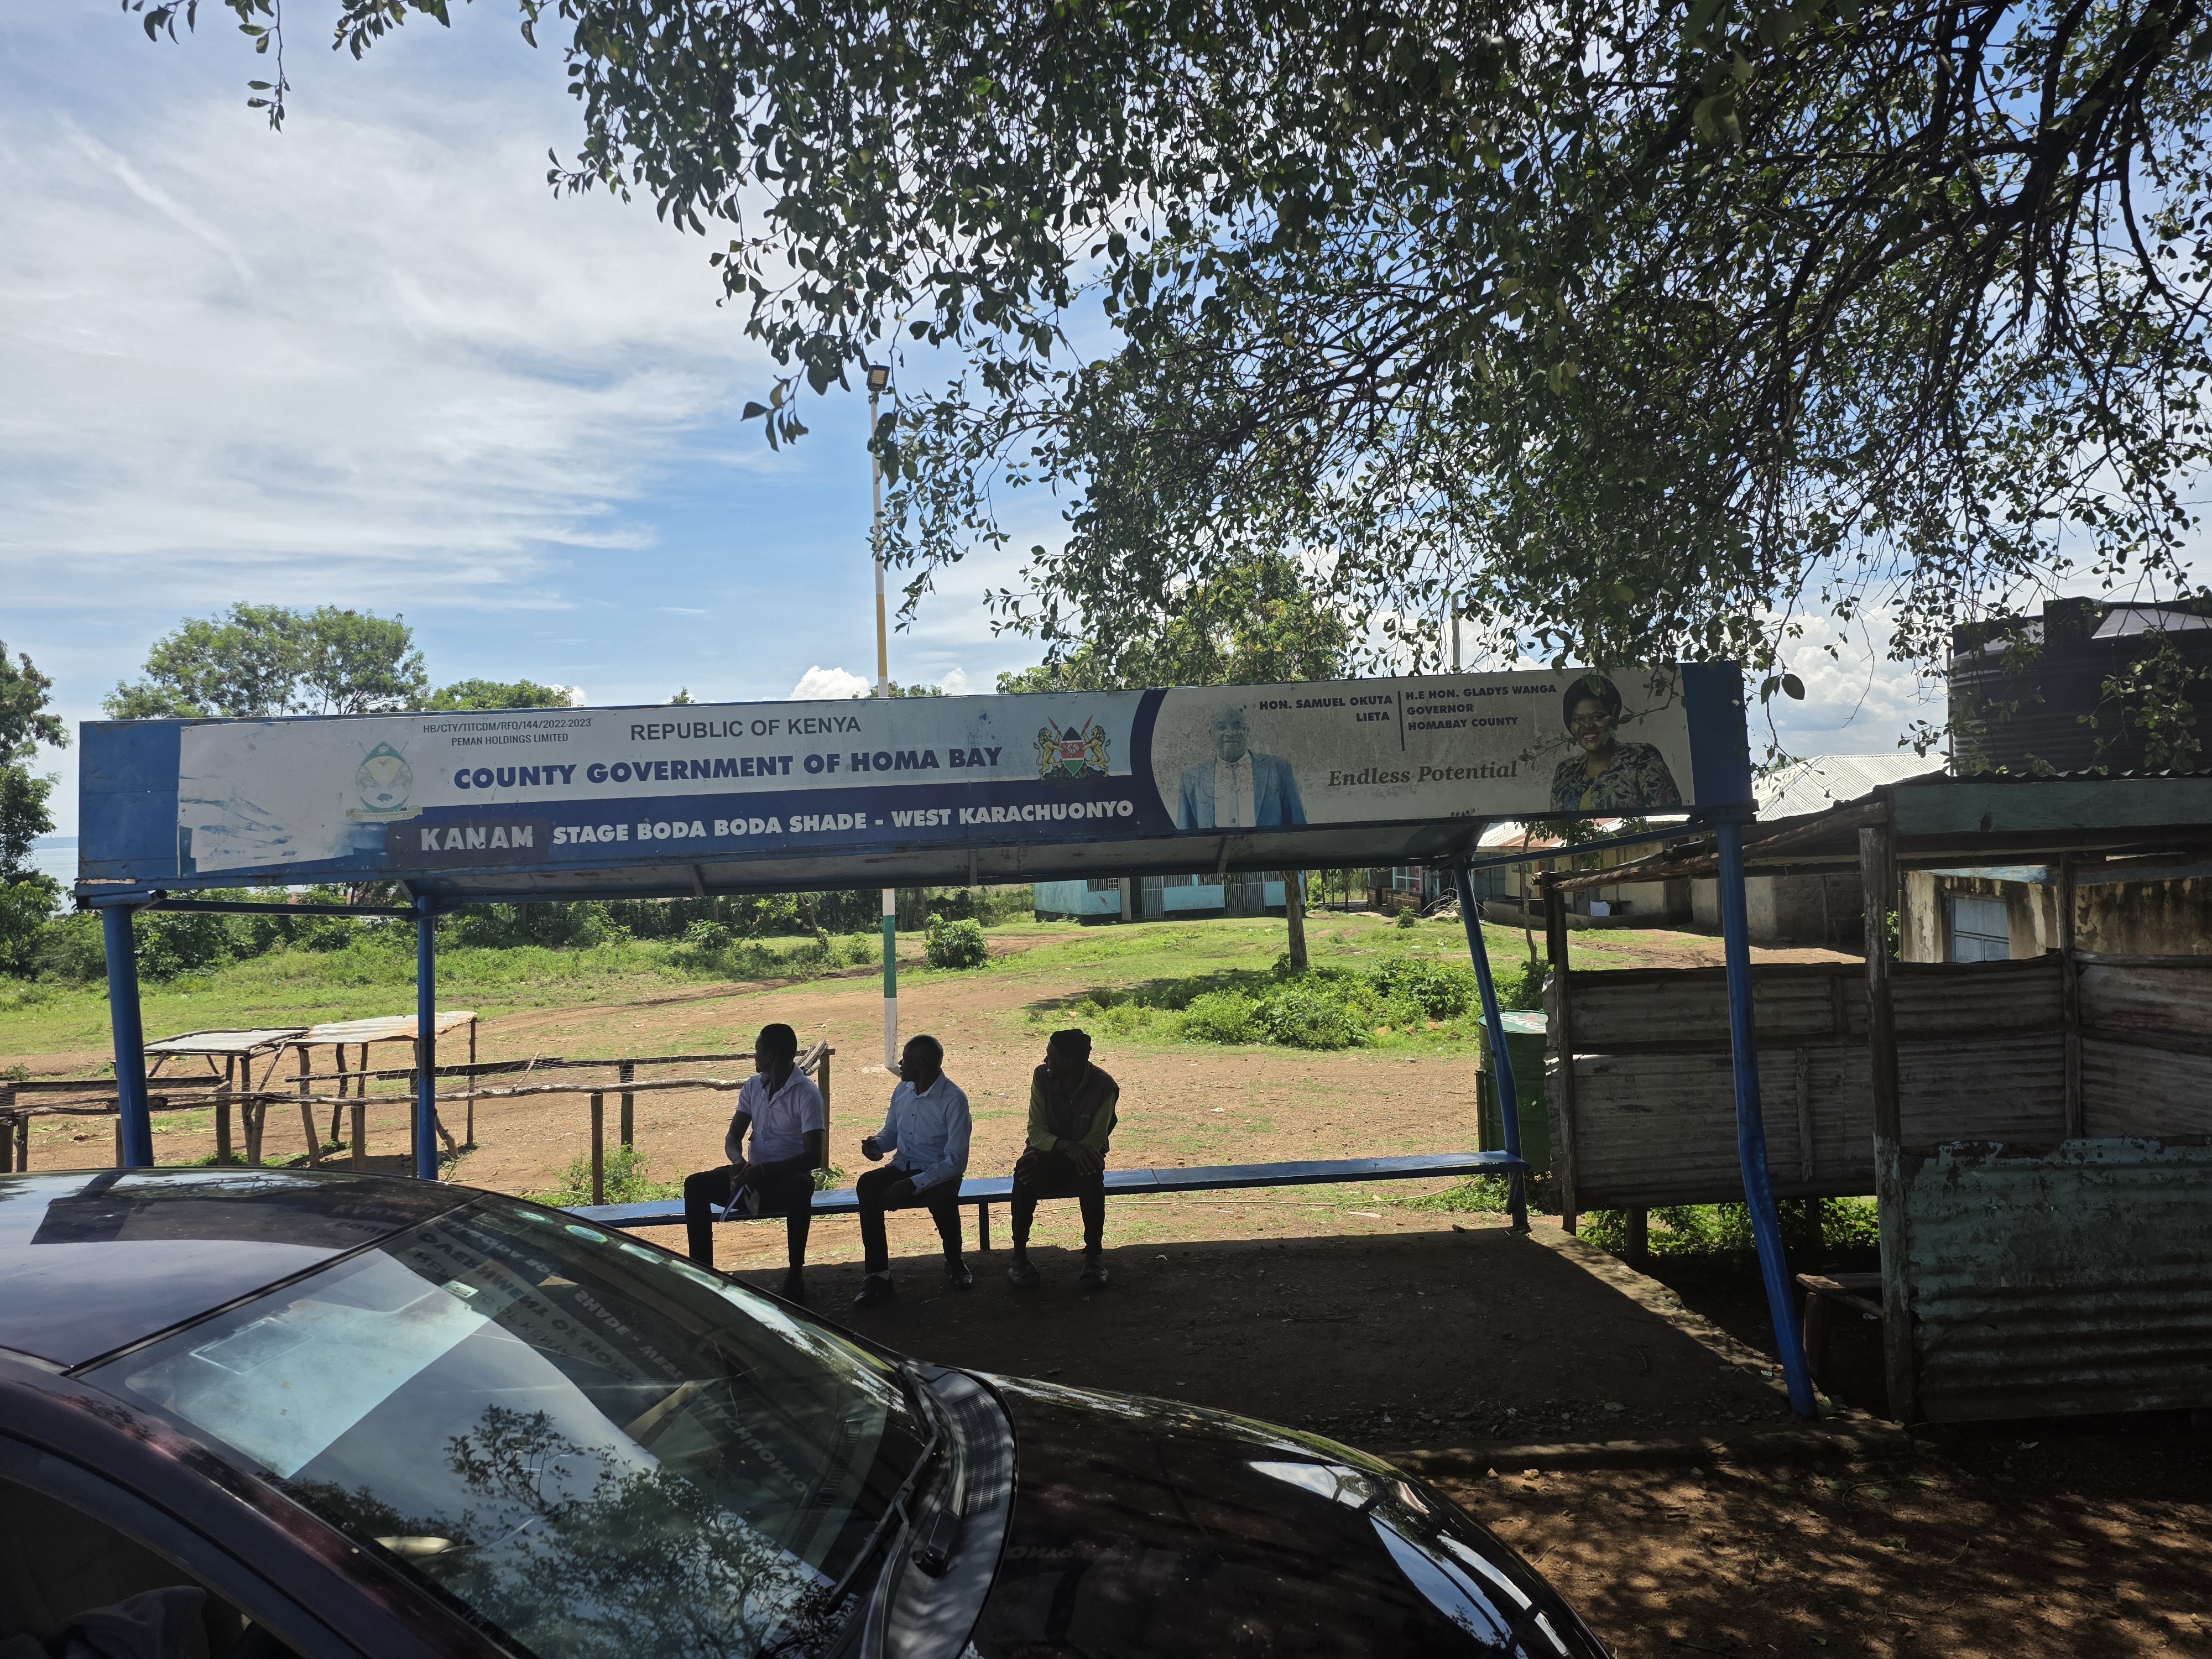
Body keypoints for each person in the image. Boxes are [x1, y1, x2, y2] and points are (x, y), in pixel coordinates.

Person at [682, 1023, 824, 1302]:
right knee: (696, 1185)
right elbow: (733, 1137)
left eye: (757, 1050)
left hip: (784, 1181)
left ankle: (795, 1272)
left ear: (770, 1056)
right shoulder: (753, 1087)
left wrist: (764, 1170)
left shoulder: (807, 1094)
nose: (754, 1056)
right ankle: (702, 1271)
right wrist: (738, 1162)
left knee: (802, 1185)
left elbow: (813, 1157)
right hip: (751, 1178)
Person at [852, 1035, 973, 1308]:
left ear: (920, 1065)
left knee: (942, 1198)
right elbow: (892, 1131)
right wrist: (877, 1145)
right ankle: (878, 1275)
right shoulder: (903, 1090)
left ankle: (955, 1262)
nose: (900, 1064)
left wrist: (913, 1185)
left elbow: (955, 1162)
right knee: (867, 1185)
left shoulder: (954, 1100)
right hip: (903, 1165)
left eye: (905, 1060)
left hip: (940, 1171)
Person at [1007, 1028, 1120, 1287]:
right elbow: (1036, 1131)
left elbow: (1095, 1139)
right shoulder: (1041, 1077)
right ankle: (1019, 1254)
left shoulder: (1104, 1087)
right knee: (1026, 1170)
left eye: (1051, 1056)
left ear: (1068, 1062)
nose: (1045, 1060)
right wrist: (1065, 1148)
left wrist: (1059, 1159)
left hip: (1083, 1154)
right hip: (1047, 1151)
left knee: (1090, 1172)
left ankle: (1094, 1256)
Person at [1546, 672, 1683, 814]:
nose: (1588, 726)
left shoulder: (1642, 757)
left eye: (1597, 717)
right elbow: (1557, 820)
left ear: (1614, 718)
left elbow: (1667, 817)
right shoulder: (1565, 771)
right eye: (1579, 719)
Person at [1176, 705, 1306, 830]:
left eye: (1238, 726)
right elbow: (1184, 836)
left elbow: (1298, 828)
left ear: (1247, 731)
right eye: (1221, 727)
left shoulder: (1279, 769)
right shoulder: (1191, 778)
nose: (1230, 733)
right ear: (1211, 734)